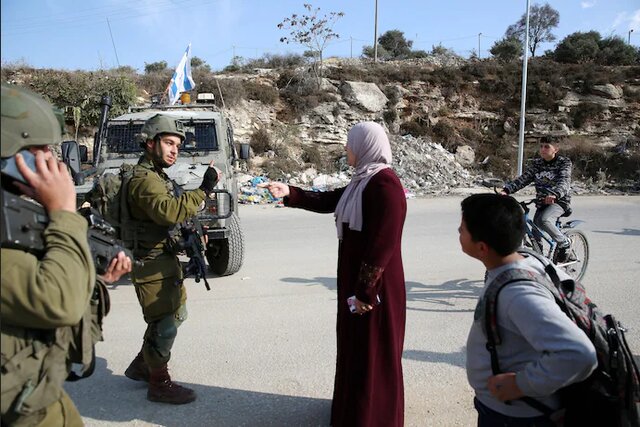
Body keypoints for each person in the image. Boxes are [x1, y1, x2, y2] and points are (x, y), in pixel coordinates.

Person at [1, 83, 131, 426]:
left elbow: (31, 298)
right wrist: (63, 211)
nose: (51, 160)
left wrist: (95, 279)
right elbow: (57, 302)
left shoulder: (16, 212)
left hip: (32, 395)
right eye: (39, 150)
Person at [261, 122, 407, 426]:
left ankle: (373, 417)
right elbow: (330, 201)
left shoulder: (386, 185)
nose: (346, 149)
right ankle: (351, 412)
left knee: (372, 351)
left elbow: (383, 244)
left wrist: (365, 292)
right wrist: (291, 193)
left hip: (375, 288)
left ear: (365, 145)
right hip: (356, 282)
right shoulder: (362, 181)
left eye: (350, 143)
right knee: (356, 348)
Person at [459, 193, 597, 427]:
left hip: (517, 416)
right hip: (507, 410)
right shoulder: (531, 260)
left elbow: (579, 354)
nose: (458, 233)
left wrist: (520, 384)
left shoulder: (518, 294)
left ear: (482, 247)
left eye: (461, 229)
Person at [123, 113, 220, 404]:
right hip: (149, 263)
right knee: (164, 323)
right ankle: (158, 383)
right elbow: (169, 211)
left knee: (176, 314)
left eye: (177, 144)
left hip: (163, 260)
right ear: (150, 143)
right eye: (168, 143)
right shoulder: (143, 180)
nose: (174, 149)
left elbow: (172, 214)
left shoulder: (156, 176)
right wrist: (204, 190)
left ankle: (143, 364)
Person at [501, 137, 574, 262]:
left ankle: (564, 243)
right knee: (534, 230)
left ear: (555, 149)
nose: (543, 149)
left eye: (547, 146)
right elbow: (524, 179)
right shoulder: (537, 164)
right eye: (541, 146)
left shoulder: (564, 162)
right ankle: (540, 259)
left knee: (544, 220)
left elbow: (564, 181)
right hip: (542, 202)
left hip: (559, 201)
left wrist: (555, 194)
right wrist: (507, 190)